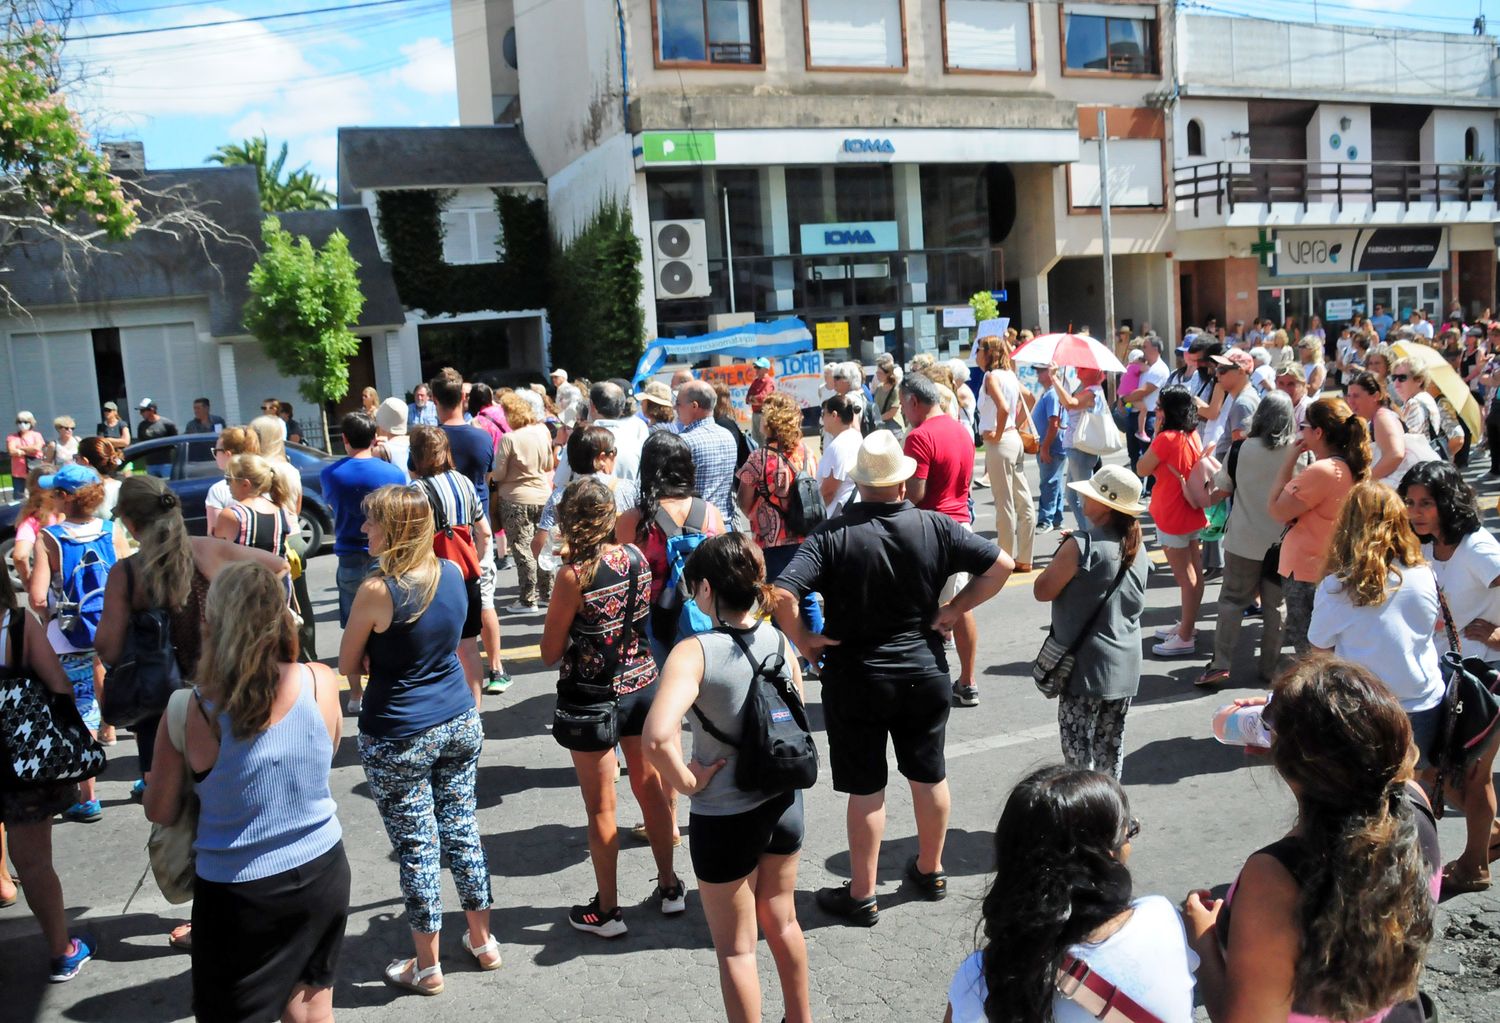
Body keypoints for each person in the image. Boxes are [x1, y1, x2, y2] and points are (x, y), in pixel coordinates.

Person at [772, 431, 1012, 926]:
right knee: (929, 773)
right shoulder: (935, 526)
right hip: (923, 670)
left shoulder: (833, 533)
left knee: (867, 790)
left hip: (856, 676)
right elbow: (1001, 565)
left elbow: (780, 593)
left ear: (862, 484)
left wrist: (804, 639)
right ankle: (931, 869)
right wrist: (952, 610)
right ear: (902, 482)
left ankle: (862, 895)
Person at [143, 562, 347, 1021]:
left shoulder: (191, 707)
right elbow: (324, 753)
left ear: (211, 623)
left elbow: (160, 809)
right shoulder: (320, 679)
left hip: (239, 890)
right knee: (311, 1004)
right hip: (322, 866)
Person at [1184, 659, 1439, 1023]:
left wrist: (1205, 940)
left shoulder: (1274, 877)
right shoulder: (1414, 801)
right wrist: (1290, 720)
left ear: (1287, 761)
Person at [643, 533, 811, 1023]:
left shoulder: (695, 652)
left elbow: (656, 738)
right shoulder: (779, 637)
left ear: (708, 590)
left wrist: (689, 781)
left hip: (724, 812)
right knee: (782, 921)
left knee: (737, 949)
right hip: (783, 801)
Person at [338, 484, 497, 994]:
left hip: (399, 732)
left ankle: (426, 966)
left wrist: (372, 657)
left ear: (396, 529)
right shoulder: (450, 572)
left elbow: (345, 663)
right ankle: (484, 941)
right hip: (457, 718)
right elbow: (449, 639)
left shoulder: (378, 590)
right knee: (462, 829)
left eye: (372, 522)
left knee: (418, 848)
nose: (364, 529)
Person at [541, 478, 683, 937]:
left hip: (592, 696)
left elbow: (547, 651)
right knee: (651, 788)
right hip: (642, 682)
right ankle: (670, 886)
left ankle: (607, 910)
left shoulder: (573, 576)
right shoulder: (637, 557)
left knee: (602, 807)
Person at [947, 765, 1197, 1023]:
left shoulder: (980, 977)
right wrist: (1208, 941)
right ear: (1107, 856)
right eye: (1129, 831)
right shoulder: (1158, 918)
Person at [1400, 460, 1500, 894]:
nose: (1416, 512)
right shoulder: (1427, 545)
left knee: (1472, 777)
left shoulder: (1477, 548)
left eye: (1427, 503)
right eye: (1410, 503)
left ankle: (1476, 865)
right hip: (1449, 677)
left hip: (1487, 679)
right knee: (1435, 772)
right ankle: (1489, 833)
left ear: (1449, 502)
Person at [0, 562, 97, 982]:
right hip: (20, 764)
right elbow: (58, 682)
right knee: (35, 862)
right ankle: (62, 951)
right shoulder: (16, 625)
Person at [1306, 480, 1446, 756]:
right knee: (1419, 784)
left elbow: (1320, 652)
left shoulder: (1337, 587)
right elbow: (1436, 625)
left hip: (1367, 706)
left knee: (1375, 789)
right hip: (1424, 698)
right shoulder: (1425, 573)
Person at [1032, 467, 1149, 777]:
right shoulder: (1137, 546)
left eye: (1092, 494)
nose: (1083, 496)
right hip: (1124, 667)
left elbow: (1042, 590)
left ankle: (1087, 820)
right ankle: (1114, 817)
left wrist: (1067, 551)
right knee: (1110, 752)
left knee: (1079, 759)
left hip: (1085, 669)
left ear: (1107, 505)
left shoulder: (1081, 546)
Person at [26, 463, 112, 823]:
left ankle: (87, 796)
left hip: (69, 635)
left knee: (79, 709)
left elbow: (38, 596)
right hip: (110, 629)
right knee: (108, 693)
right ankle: (145, 777)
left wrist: (47, 619)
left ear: (63, 497)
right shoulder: (111, 529)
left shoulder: (51, 537)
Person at [1198, 393, 1295, 688]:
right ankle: (1269, 666)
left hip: (1243, 540)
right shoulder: (1298, 452)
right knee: (1275, 606)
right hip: (1282, 543)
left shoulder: (1241, 449)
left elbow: (1224, 489)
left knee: (1231, 601)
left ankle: (1220, 663)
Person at [903, 373, 986, 705]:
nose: (902, 411)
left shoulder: (919, 436)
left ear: (913, 401)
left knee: (925, 611)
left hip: (931, 529)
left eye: (902, 404)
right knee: (959, 607)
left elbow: (916, 493)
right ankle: (966, 680)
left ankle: (928, 685)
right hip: (961, 525)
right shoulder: (960, 430)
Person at [1270, 396, 1369, 654]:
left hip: (1307, 569)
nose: (1299, 431)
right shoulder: (1348, 466)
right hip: (1329, 564)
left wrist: (1288, 460)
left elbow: (1277, 509)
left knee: (1310, 647)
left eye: (1303, 426)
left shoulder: (1323, 470)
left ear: (1318, 432)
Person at [619, 430, 727, 665]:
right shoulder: (710, 513)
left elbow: (620, 576)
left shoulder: (635, 520)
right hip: (705, 616)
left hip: (653, 622)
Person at [407, 426, 494, 699]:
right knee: (469, 647)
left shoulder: (416, 490)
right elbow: (486, 532)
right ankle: (475, 709)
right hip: (466, 576)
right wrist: (475, 559)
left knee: (434, 649)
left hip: (432, 579)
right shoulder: (464, 483)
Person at [735, 392, 821, 635]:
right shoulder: (806, 453)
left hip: (771, 542)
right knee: (807, 598)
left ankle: (786, 656)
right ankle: (820, 657)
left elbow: (744, 500)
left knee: (775, 599)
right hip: (806, 536)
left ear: (769, 423)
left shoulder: (759, 458)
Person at [320, 411, 406, 640]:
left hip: (349, 551)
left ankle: (357, 671)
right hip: (386, 550)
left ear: (345, 439)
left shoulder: (330, 474)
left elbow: (330, 505)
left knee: (353, 622)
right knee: (388, 615)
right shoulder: (394, 473)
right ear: (374, 438)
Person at [1136, 385, 1206, 658]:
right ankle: (1188, 625)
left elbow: (1142, 468)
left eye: (1160, 405)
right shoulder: (1192, 435)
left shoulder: (1166, 439)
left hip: (1171, 511)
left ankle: (1186, 635)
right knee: (1194, 573)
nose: (1156, 409)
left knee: (1185, 577)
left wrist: (1155, 435)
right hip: (1191, 510)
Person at [975, 336, 1036, 572]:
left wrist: (998, 433)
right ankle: (1025, 557)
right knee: (1022, 499)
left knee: (1005, 503)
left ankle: (1005, 558)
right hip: (1014, 439)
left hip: (1001, 443)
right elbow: (1030, 399)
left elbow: (1004, 407)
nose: (977, 354)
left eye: (979, 350)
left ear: (989, 353)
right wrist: (1014, 426)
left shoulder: (991, 377)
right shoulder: (1009, 375)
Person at [494, 391, 557, 614]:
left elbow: (499, 473)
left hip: (515, 498)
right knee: (543, 545)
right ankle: (546, 593)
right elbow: (549, 464)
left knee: (522, 548)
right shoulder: (542, 432)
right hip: (542, 495)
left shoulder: (509, 439)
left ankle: (527, 598)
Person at [1049, 366, 1108, 534]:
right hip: (1077, 449)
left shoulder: (1092, 391)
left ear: (1094, 372)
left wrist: (1054, 379)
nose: (1077, 370)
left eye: (1082, 368)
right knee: (1073, 496)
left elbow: (1070, 403)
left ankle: (1092, 537)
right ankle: (1087, 534)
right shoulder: (1086, 389)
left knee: (1084, 499)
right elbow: (1068, 403)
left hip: (1081, 450)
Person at [673, 379, 737, 526]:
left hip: (697, 529)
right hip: (725, 524)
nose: (675, 408)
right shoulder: (727, 435)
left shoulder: (685, 441)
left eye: (678, 403)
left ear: (694, 406)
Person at [1344, 370, 1423, 487]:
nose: (1350, 401)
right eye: (1349, 396)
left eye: (1356, 396)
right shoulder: (1379, 417)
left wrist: (1364, 483)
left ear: (1375, 396)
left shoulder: (1382, 417)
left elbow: (1395, 455)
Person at [210, 454, 294, 557]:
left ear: (245, 484)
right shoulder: (282, 511)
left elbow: (218, 553)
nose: (227, 485)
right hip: (276, 572)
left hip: (246, 572)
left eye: (229, 479)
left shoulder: (232, 515)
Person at [1119, 336, 1170, 485]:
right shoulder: (1144, 366)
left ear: (1155, 349)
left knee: (1149, 453)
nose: (1142, 350)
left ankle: (1151, 487)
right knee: (1133, 453)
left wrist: (1123, 399)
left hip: (1149, 416)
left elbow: (1143, 391)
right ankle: (1137, 486)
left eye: (1145, 347)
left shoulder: (1159, 369)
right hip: (1135, 414)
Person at [203, 425, 260, 534]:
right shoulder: (267, 481)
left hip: (236, 550)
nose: (215, 455)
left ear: (227, 454)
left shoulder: (218, 490)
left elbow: (215, 536)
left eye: (216, 451)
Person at [1031, 364, 1067, 532]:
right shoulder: (1050, 393)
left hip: (1051, 447)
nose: (1037, 373)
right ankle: (1057, 517)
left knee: (1049, 483)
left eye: (1041, 370)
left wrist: (1044, 447)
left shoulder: (1052, 394)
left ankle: (1046, 519)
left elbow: (1054, 423)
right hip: (1051, 446)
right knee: (1054, 482)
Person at [817, 394, 860, 515]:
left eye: (824, 414)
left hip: (836, 514)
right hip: (850, 509)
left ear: (834, 415)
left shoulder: (838, 446)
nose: (822, 419)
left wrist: (816, 517)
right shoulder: (856, 436)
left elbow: (829, 492)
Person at [135, 399, 178, 478]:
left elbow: (175, 443)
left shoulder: (167, 424)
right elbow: (141, 444)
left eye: (143, 411)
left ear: (152, 410)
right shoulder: (142, 426)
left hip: (166, 463)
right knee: (153, 488)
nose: (141, 414)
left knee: (167, 487)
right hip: (150, 464)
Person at [7, 410, 44, 498]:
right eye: (20, 422)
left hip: (34, 470)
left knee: (38, 494)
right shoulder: (12, 437)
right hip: (18, 472)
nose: (22, 424)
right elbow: (11, 451)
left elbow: (36, 448)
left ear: (31, 423)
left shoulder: (37, 435)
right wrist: (29, 450)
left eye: (25, 422)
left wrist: (19, 449)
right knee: (18, 495)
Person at [871, 354, 904, 435]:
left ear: (888, 374)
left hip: (895, 428)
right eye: (877, 373)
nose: (877, 375)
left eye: (880, 373)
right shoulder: (879, 388)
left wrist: (878, 419)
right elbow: (875, 406)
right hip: (882, 426)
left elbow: (893, 412)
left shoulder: (895, 389)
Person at [746, 357, 775, 445]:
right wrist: (754, 399)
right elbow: (747, 398)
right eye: (756, 367)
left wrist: (753, 399)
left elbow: (764, 398)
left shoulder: (769, 381)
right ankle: (759, 457)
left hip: (764, 414)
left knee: (765, 440)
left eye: (759, 368)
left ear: (766, 370)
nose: (756, 370)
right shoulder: (755, 381)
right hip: (755, 415)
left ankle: (765, 458)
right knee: (755, 440)